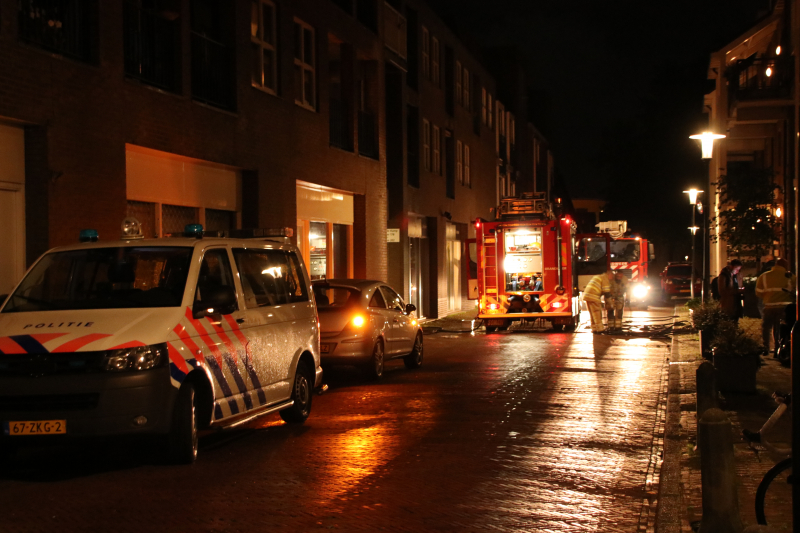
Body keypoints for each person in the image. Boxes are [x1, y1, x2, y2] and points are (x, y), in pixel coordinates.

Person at [755, 258, 796, 357]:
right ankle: (778, 348)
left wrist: (768, 297)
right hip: (785, 307)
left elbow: (758, 292)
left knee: (766, 328)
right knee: (779, 328)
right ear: (785, 266)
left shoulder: (764, 276)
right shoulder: (790, 276)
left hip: (769, 307)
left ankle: (766, 348)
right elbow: (795, 291)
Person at [718, 259, 743, 325]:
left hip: (736, 303)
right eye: (736, 269)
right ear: (731, 266)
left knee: (735, 320)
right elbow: (722, 291)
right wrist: (737, 291)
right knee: (729, 320)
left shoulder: (736, 275)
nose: (737, 271)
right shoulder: (724, 276)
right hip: (728, 303)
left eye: (739, 269)